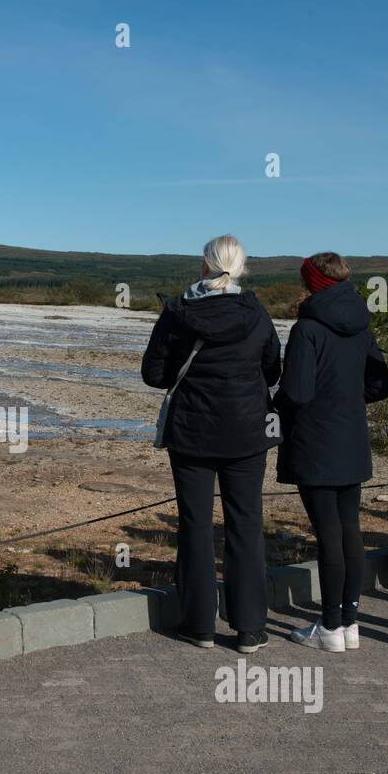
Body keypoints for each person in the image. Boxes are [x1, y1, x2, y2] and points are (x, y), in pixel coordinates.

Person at [142, 235, 281, 654]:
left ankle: (199, 624)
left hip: (193, 432)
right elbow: (272, 369)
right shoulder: (256, 313)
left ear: (204, 266)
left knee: (196, 525)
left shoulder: (178, 313)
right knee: (246, 524)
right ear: (241, 268)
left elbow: (153, 373)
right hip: (246, 433)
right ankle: (251, 628)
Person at [275, 253, 388, 651]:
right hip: (352, 438)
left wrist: (274, 405)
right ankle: (349, 623)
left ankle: (329, 627)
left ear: (312, 283)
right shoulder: (361, 323)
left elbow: (297, 392)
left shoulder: (307, 329)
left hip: (315, 441)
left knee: (327, 536)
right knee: (349, 531)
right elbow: (380, 386)